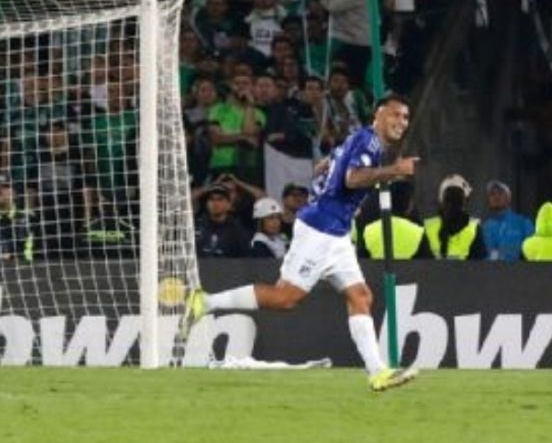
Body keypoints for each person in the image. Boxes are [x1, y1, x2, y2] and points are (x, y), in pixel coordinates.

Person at [183, 94, 420, 392]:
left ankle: (377, 373)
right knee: (285, 298)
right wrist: (394, 171)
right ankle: (204, 302)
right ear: (379, 114)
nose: (402, 122)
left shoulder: (358, 139)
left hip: (337, 234)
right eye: (396, 115)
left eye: (406, 117)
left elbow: (328, 164)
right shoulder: (369, 142)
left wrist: (328, 166)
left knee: (361, 296)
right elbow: (351, 178)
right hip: (320, 230)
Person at [418, 175, 487, 260]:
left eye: (457, 199)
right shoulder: (428, 227)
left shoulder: (474, 228)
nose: (452, 204)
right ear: (441, 200)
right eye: (448, 199)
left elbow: (480, 266)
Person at [482, 180, 534, 262]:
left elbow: (532, 255)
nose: (496, 197)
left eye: (500, 193)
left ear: (508, 198)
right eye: (492, 194)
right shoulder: (485, 227)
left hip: (517, 273)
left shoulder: (523, 223)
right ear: (489, 200)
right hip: (489, 272)